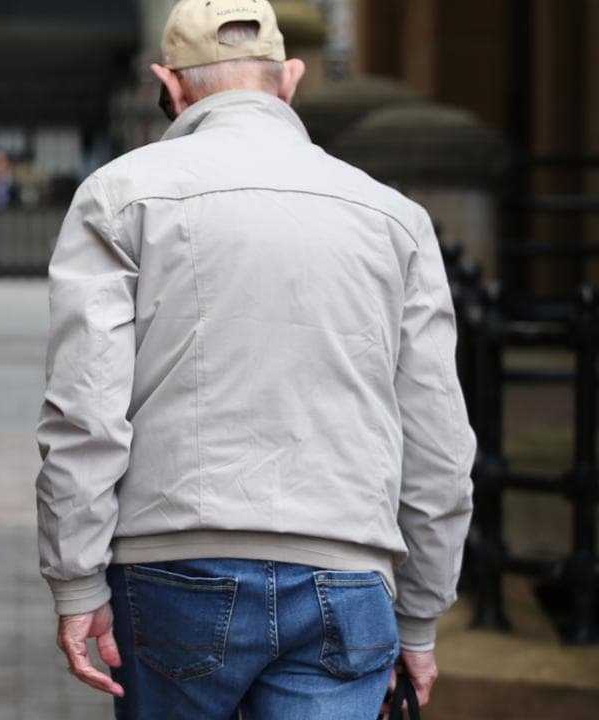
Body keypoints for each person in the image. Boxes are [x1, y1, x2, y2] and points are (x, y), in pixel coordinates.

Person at [36, 1, 475, 718]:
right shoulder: (395, 218)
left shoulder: (118, 196)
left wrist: (76, 579)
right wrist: (421, 614)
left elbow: (85, 409)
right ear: (290, 79)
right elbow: (438, 437)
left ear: (168, 85)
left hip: (173, 564)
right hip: (348, 567)